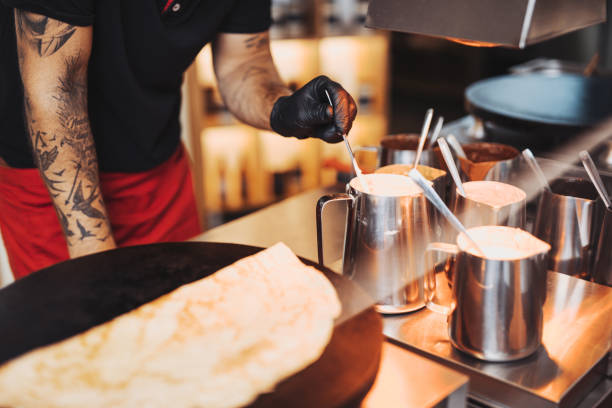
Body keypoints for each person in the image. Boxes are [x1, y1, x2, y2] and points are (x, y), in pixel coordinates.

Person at [0, 1, 357, 279]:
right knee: (80, 344)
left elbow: (243, 64)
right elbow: (57, 87)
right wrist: (93, 253)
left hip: (157, 171)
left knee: (182, 320)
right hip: (54, 184)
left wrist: (283, 110)